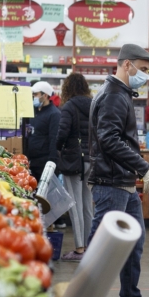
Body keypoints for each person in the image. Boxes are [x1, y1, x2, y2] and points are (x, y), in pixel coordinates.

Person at [89, 43, 149, 297]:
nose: (146, 75)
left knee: (134, 241)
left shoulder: (120, 94)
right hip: (111, 183)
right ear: (127, 65)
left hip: (123, 182)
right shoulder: (113, 96)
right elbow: (109, 139)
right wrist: (142, 166)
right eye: (143, 69)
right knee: (103, 247)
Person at [56, 72, 94, 262]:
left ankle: (79, 249)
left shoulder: (69, 106)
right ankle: (89, 246)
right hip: (91, 160)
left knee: (75, 205)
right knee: (87, 206)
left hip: (73, 160)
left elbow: (62, 132)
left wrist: (58, 147)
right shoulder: (93, 104)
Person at [24, 80, 60, 186]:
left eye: (35, 94)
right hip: (31, 161)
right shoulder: (32, 111)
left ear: (45, 95)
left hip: (44, 163)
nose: (33, 97)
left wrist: (51, 164)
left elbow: (54, 139)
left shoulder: (54, 114)